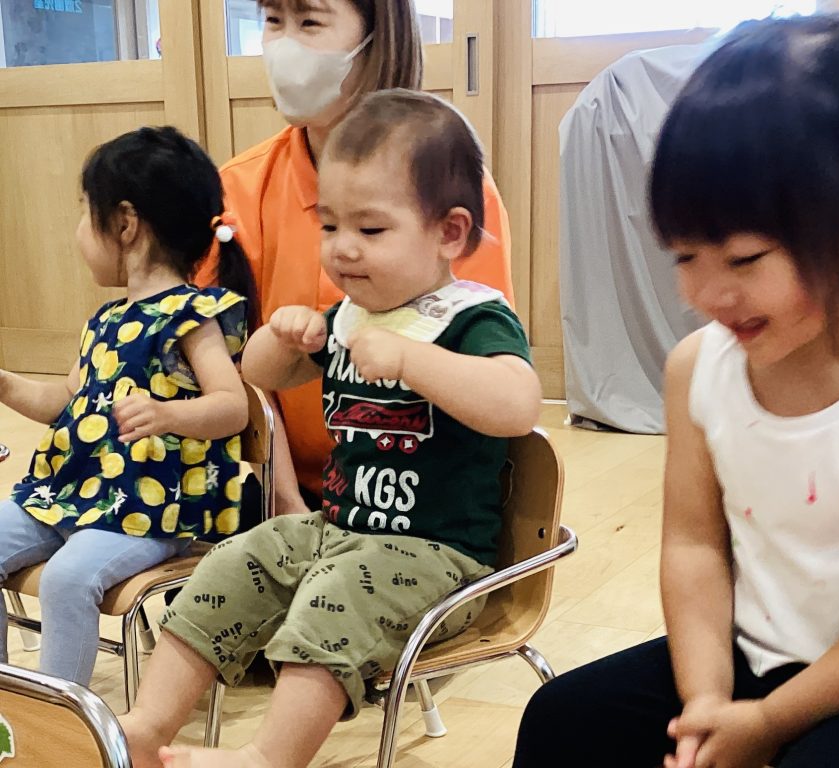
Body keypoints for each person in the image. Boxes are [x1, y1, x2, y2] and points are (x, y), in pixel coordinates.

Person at [513, 15, 839, 768]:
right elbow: (694, 546)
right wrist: (707, 701)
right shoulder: (697, 368)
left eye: (746, 258)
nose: (707, 293)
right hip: (753, 647)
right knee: (564, 719)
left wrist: (769, 722)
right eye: (685, 256)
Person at [119, 90, 541, 768]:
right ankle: (145, 727)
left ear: (449, 233)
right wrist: (282, 337)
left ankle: (268, 758)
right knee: (235, 561)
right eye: (330, 226)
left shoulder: (469, 318)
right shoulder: (350, 314)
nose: (343, 249)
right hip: (336, 530)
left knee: (336, 595)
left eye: (370, 230)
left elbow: (518, 404)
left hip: (440, 557)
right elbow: (259, 374)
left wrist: (411, 360)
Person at [196, 0, 516, 518]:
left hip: (421, 504)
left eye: (310, 22)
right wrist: (283, 499)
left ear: (377, 38)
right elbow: (234, 365)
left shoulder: (453, 196)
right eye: (272, 21)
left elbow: (495, 381)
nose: (284, 45)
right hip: (283, 492)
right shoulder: (239, 187)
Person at [0, 126, 255, 686]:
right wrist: (6, 384)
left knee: (68, 579)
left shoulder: (191, 316)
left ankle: (62, 719)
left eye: (83, 213)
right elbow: (66, 403)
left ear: (124, 223)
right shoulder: (106, 319)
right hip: (76, 492)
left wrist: (169, 414)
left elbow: (232, 407)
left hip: (150, 507)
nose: (78, 231)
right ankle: (9, 706)